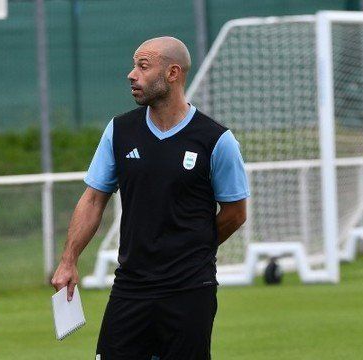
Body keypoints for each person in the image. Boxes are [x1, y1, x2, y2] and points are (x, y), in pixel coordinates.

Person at [51, 36, 249, 360]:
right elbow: (93, 199)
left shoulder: (217, 140)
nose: (132, 74)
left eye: (143, 66)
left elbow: (235, 213)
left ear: (172, 74)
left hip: (190, 290)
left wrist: (191, 248)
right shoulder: (119, 131)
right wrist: (68, 260)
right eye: (134, 65)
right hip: (131, 287)